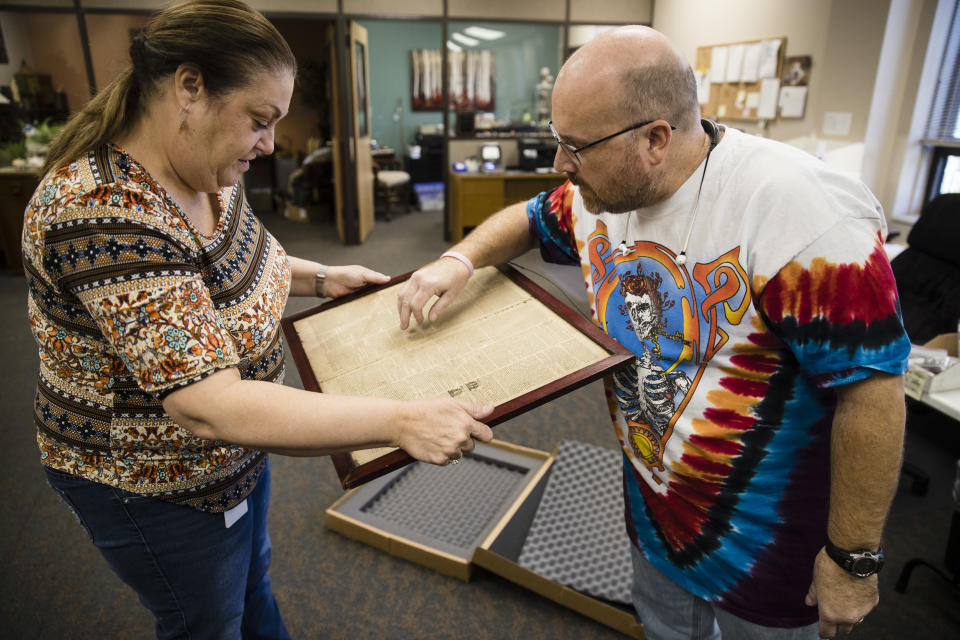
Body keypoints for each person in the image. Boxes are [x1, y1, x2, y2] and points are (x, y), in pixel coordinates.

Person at [397, 25, 909, 640]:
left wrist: (853, 558)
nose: (561, 165)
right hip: (652, 510)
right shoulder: (599, 191)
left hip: (768, 546)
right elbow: (530, 219)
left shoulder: (804, 216)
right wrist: (458, 259)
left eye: (576, 147)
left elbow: (874, 393)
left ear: (656, 139)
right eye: (558, 142)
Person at [23, 1, 492, 638]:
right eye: (260, 120)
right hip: (153, 479)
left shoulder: (209, 163)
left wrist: (322, 278)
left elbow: (235, 265)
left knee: (251, 579)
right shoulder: (102, 212)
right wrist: (402, 421)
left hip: (240, 450)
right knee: (208, 619)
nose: (269, 143)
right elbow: (208, 406)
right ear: (189, 88)